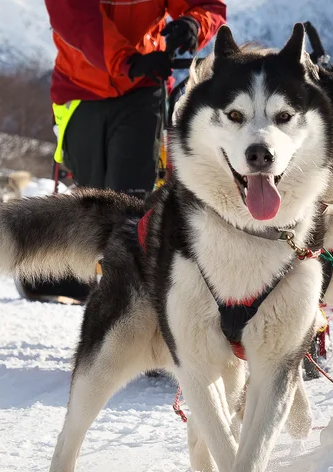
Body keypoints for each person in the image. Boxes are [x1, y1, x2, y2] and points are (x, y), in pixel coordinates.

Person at [18, 1, 227, 304]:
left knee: (131, 201)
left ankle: (129, 301)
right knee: (92, 200)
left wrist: (195, 24)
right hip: (81, 89)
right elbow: (77, 19)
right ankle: (82, 271)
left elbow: (205, 5)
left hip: (142, 88)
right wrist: (126, 60)